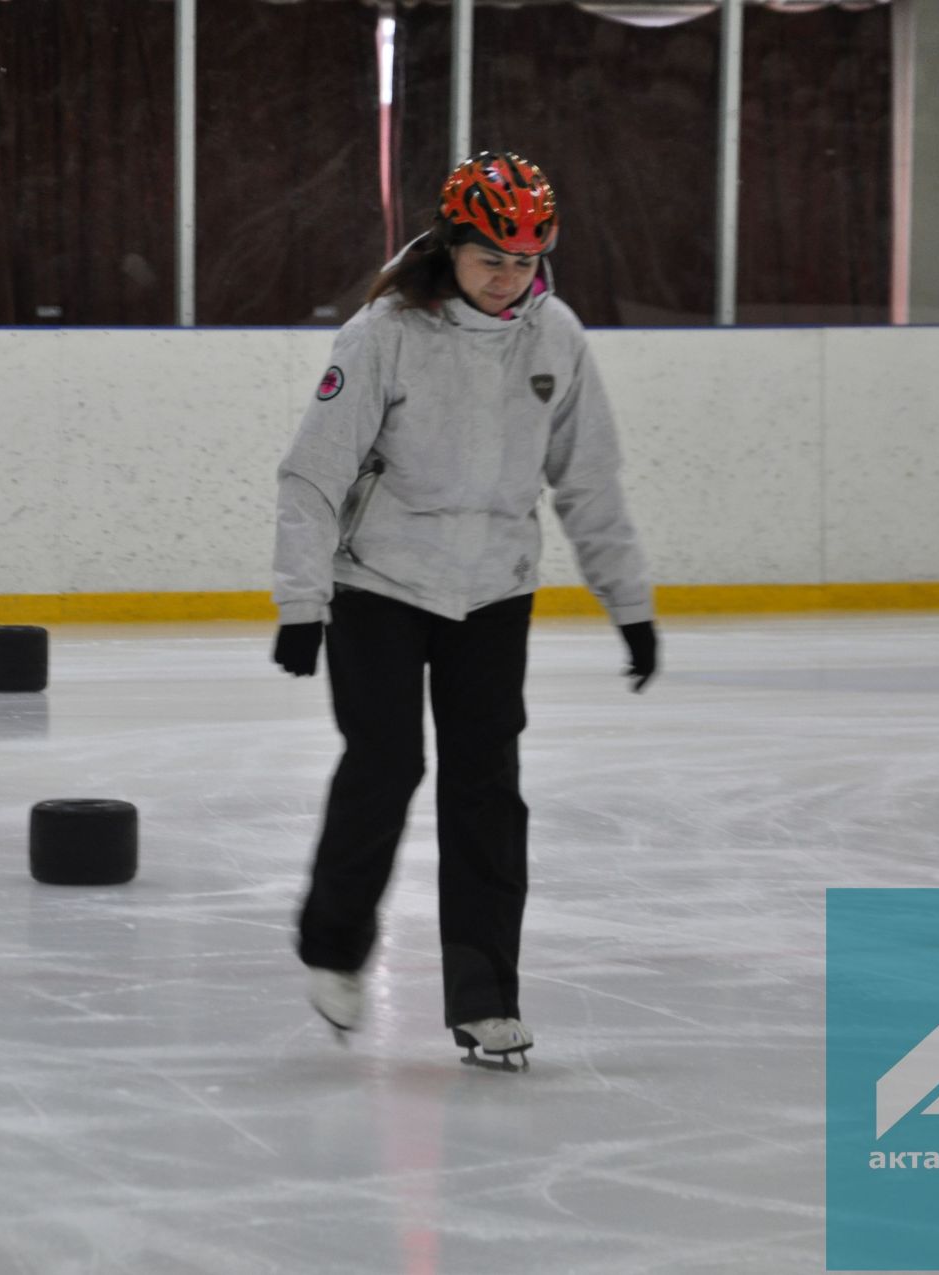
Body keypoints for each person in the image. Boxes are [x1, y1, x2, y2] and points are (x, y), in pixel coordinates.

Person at [271, 151, 658, 1070]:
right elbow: (312, 473)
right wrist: (300, 600)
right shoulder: (384, 335)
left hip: (493, 590)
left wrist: (630, 604)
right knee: (388, 762)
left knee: (488, 785)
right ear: (451, 247)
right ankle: (333, 943)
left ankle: (487, 995)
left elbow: (589, 483)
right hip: (379, 587)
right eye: (492, 259)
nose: (508, 279)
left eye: (526, 261)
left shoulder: (554, 337)